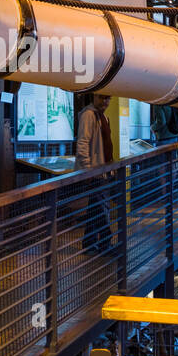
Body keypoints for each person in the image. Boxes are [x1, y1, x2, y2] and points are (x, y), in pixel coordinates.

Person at [75, 94, 114, 254]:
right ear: (94, 98)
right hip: (95, 172)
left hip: (102, 171)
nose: (105, 101)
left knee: (95, 208)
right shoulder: (89, 115)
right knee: (101, 208)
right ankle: (105, 243)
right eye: (102, 98)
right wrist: (88, 169)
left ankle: (89, 244)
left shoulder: (102, 116)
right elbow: (83, 142)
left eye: (108, 98)